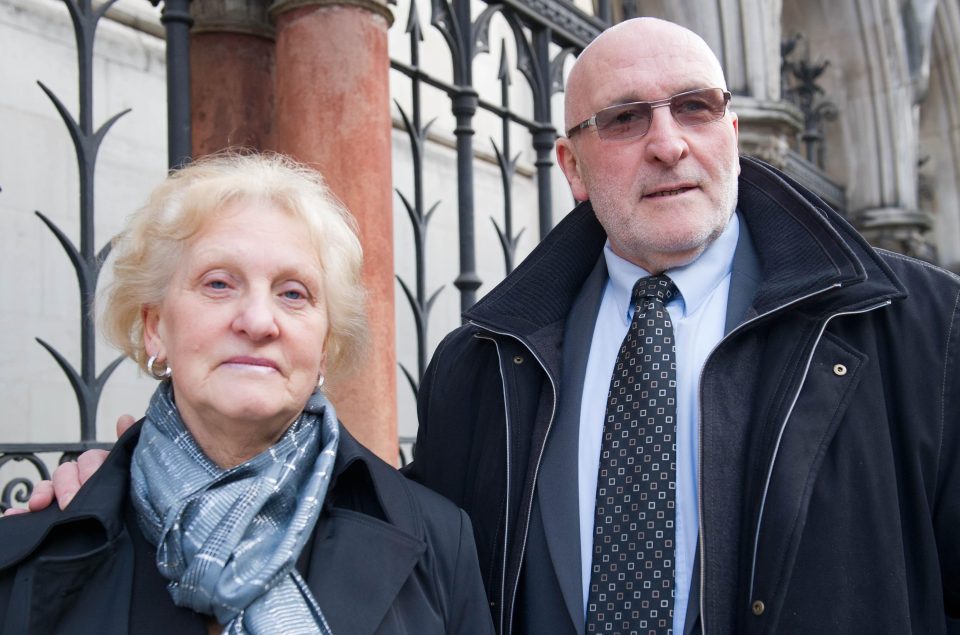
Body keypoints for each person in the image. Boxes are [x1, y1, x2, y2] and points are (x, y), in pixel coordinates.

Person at [22, 16, 960, 635]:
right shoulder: (486, 366)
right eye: (626, 117)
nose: (669, 141)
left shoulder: (918, 332)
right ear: (573, 165)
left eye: (697, 107)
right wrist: (119, 480)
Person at [0, 153, 494, 634]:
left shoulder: (438, 540)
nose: (259, 321)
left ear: (324, 346)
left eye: (293, 293)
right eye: (218, 284)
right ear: (155, 328)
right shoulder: (32, 549)